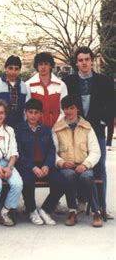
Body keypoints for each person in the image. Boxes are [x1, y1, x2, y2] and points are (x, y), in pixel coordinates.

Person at [63, 46, 114, 219]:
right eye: (80, 60)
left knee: (99, 167)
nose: (84, 63)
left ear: (92, 61)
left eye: (87, 59)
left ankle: (101, 207)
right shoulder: (68, 82)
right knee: (77, 164)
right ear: (76, 63)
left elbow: (112, 105)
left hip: (97, 130)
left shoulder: (104, 81)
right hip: (75, 131)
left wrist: (103, 122)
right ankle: (81, 201)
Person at [52, 95, 103, 227]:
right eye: (65, 109)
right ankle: (72, 211)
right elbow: (52, 153)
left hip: (84, 165)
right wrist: (61, 162)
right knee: (69, 175)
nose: (68, 111)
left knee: (87, 177)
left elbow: (95, 151)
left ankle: (96, 212)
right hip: (67, 166)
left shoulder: (87, 127)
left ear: (77, 109)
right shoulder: (57, 128)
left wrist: (86, 165)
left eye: (72, 108)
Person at [15, 99, 66, 226]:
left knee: (61, 181)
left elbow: (51, 149)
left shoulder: (46, 130)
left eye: (36, 113)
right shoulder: (19, 129)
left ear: (40, 114)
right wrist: (32, 167)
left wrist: (47, 165)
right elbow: (19, 152)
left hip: (44, 165)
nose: (33, 115)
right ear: (26, 113)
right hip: (27, 165)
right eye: (30, 112)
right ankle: (32, 210)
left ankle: (46, 210)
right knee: (27, 180)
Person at [25, 52, 67, 128]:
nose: (43, 67)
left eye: (46, 64)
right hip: (36, 130)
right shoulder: (28, 85)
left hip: (57, 129)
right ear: (37, 66)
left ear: (50, 66)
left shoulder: (61, 85)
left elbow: (64, 110)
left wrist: (56, 127)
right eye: (40, 64)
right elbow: (26, 111)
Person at [0, 55, 29, 129]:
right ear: (5, 68)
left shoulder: (24, 87)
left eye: (16, 69)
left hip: (18, 127)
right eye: (10, 68)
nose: (13, 72)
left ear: (20, 70)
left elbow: (25, 110)